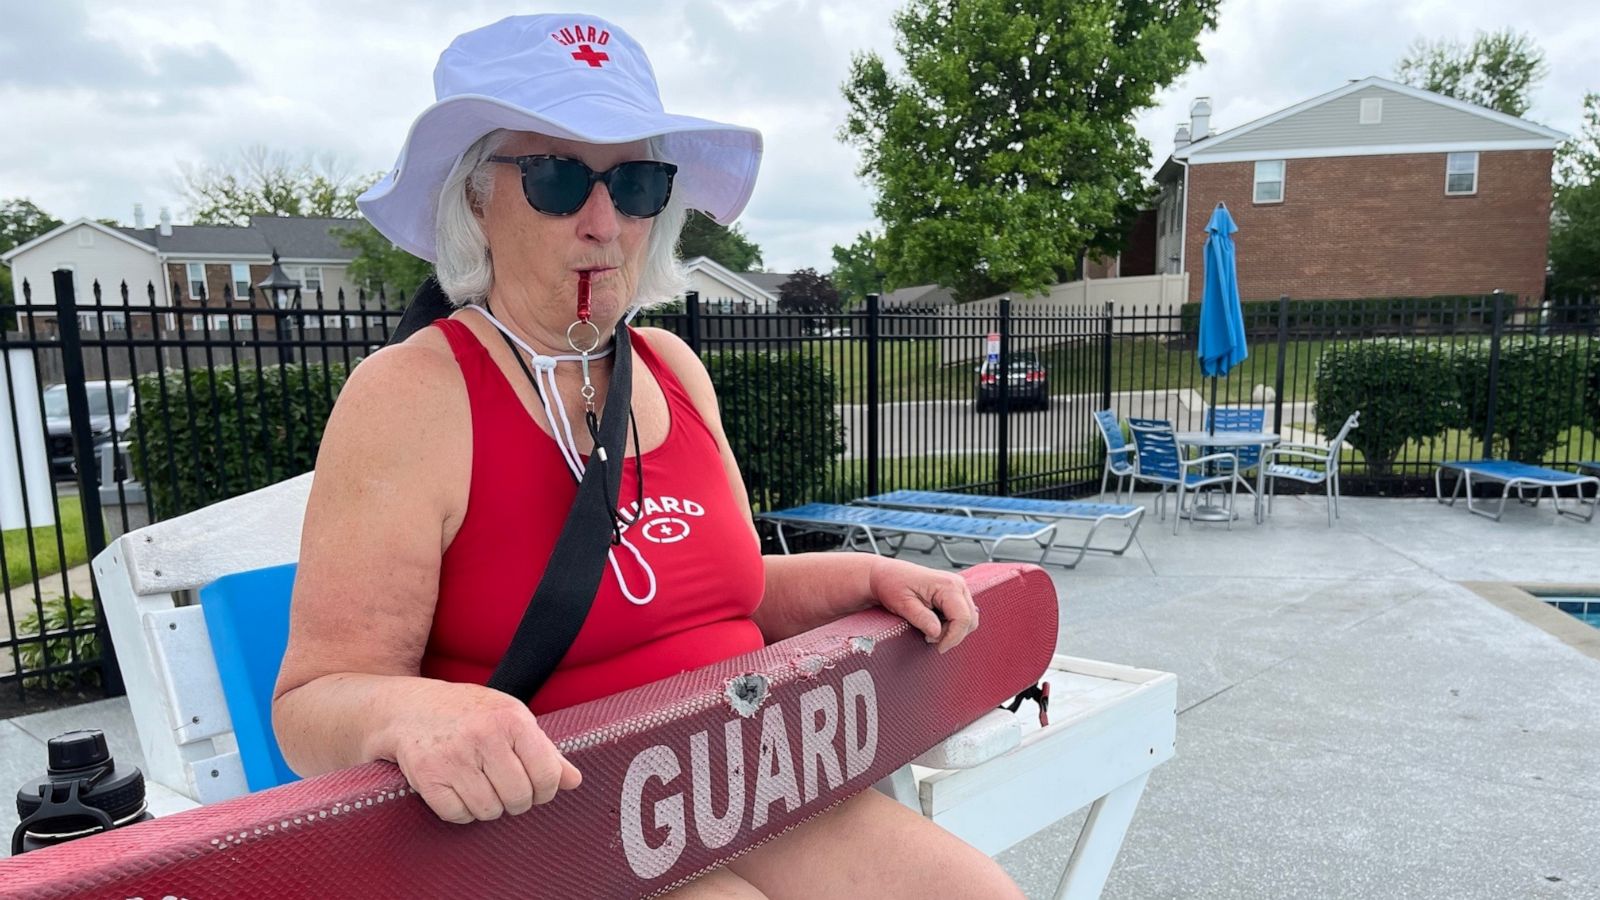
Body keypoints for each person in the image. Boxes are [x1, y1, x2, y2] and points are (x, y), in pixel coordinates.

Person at [271, 13, 1023, 899]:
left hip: (744, 780)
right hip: (551, 820)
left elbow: (708, 594)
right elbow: (311, 702)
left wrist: (854, 576)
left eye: (634, 182)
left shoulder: (671, 367)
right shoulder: (411, 395)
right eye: (556, 179)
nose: (604, 222)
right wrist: (408, 710)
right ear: (475, 197)